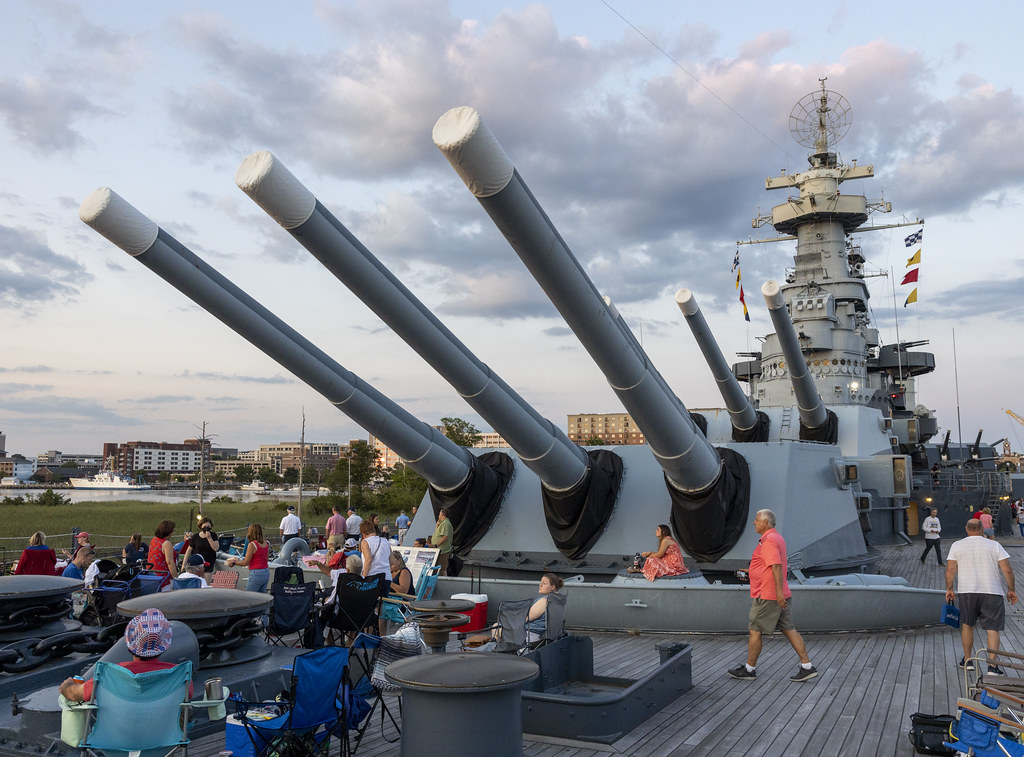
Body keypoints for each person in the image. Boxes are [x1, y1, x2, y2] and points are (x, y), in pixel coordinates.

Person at [729, 509, 818, 683]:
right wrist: (752, 571)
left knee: (755, 630)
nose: (754, 523)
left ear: (765, 522)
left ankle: (749, 669)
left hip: (769, 595)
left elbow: (776, 566)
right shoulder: (777, 538)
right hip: (779, 593)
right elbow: (769, 566)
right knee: (789, 629)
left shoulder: (768, 540)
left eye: (756, 520)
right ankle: (807, 666)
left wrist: (777, 594)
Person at [58, 608, 186, 702]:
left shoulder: (110, 675)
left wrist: (67, 685)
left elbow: (73, 695)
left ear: (129, 643)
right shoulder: (181, 676)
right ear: (164, 646)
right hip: (165, 738)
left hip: (117, 738)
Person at [945, 518, 1017, 673]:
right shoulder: (994, 545)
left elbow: (950, 570)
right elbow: (1007, 570)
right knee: (992, 629)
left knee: (967, 625)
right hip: (992, 591)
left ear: (966, 529)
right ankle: (992, 666)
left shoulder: (957, 545)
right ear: (981, 529)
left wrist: (949, 588)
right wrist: (1011, 590)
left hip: (967, 591)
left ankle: (968, 661)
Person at [466, 573, 564, 646]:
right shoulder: (558, 600)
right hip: (546, 634)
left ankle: (502, 650)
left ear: (552, 587)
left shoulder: (544, 601)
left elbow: (526, 618)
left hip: (532, 635)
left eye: (544, 583)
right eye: (540, 582)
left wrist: (509, 621)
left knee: (497, 626)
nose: (540, 585)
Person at [226, 523, 271, 594]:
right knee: (261, 597)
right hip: (266, 572)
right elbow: (267, 558)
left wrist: (234, 562)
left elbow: (245, 562)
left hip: (256, 573)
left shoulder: (252, 545)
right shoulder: (265, 542)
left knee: (248, 596)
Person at [149, 520, 180, 590]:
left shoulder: (154, 540)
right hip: (164, 578)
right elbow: (169, 562)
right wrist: (176, 578)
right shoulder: (166, 544)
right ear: (169, 531)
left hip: (153, 576)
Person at [428, 508, 453, 575]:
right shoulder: (443, 523)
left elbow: (445, 537)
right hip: (439, 550)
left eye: (439, 514)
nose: (438, 516)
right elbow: (438, 534)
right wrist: (437, 525)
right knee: (439, 567)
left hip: (442, 550)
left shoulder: (445, 523)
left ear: (443, 514)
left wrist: (436, 545)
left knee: (441, 568)